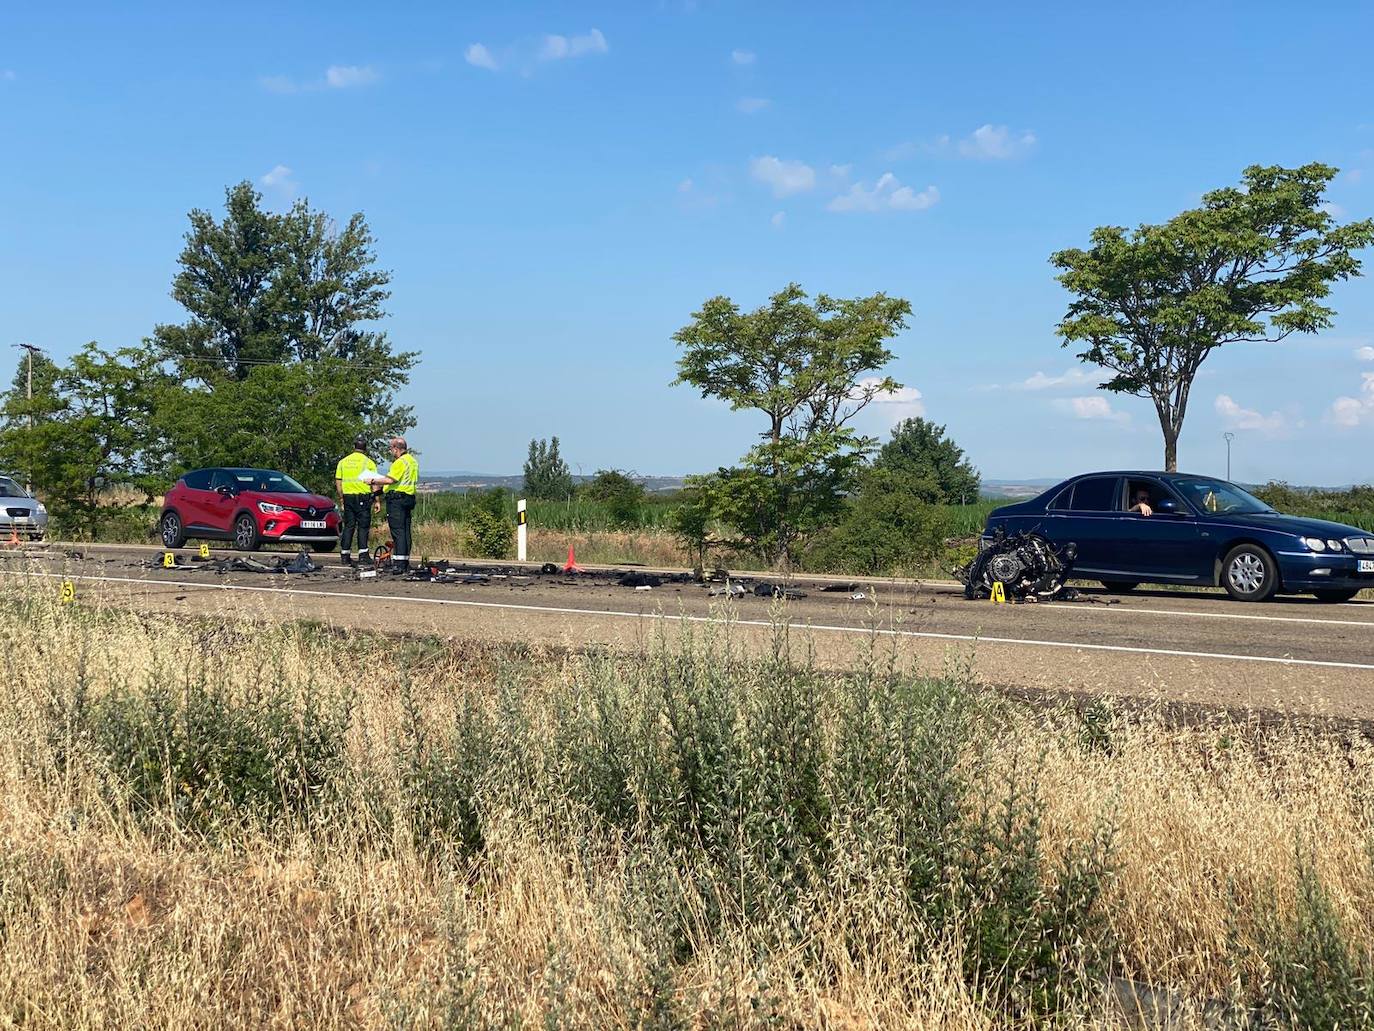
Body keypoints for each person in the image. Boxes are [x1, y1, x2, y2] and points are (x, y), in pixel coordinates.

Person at [371, 436, 419, 573]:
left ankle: (398, 563)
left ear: (396, 449)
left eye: (391, 448)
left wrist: (373, 481)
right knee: (405, 531)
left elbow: (391, 480)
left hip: (397, 500)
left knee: (397, 531)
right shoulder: (412, 461)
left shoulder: (399, 462)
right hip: (408, 498)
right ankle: (404, 561)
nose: (391, 451)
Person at [334, 435, 377, 566]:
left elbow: (338, 481)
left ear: (354, 447)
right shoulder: (368, 462)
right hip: (362, 497)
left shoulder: (343, 462)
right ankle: (363, 555)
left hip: (348, 497)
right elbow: (374, 483)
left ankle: (345, 555)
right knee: (363, 527)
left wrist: (341, 497)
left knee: (349, 526)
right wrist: (377, 500)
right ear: (365, 448)